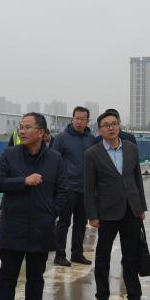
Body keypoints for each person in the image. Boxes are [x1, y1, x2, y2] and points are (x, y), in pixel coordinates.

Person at [0, 113, 67, 300]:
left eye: (27, 127)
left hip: (41, 228)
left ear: (41, 133)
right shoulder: (10, 154)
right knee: (8, 277)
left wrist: (51, 212)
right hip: (14, 226)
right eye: (20, 127)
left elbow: (63, 191)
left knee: (36, 278)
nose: (22, 131)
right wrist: (23, 181)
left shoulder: (55, 159)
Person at [84, 108, 150, 300]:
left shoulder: (131, 148)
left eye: (114, 124)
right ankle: (102, 297)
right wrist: (92, 215)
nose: (111, 128)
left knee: (131, 255)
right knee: (102, 256)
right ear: (100, 130)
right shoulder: (92, 154)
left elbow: (137, 179)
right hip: (107, 212)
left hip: (131, 209)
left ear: (119, 125)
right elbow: (89, 187)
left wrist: (141, 207)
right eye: (106, 125)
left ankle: (134, 297)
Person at [51, 106, 95, 267]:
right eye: (77, 118)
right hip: (67, 188)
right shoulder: (61, 138)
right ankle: (60, 255)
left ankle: (77, 253)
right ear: (72, 119)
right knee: (63, 222)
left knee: (81, 223)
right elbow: (53, 161)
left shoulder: (92, 139)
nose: (79, 122)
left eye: (82, 119)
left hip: (85, 189)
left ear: (87, 121)